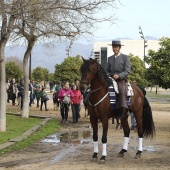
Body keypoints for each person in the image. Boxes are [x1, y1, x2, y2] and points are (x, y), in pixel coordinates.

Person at [106, 40, 131, 120]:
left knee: (121, 90)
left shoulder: (125, 57)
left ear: (119, 48)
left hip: (121, 79)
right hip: (111, 79)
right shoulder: (109, 58)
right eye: (113, 47)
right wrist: (111, 75)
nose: (114, 49)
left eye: (116, 47)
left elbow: (127, 70)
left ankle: (122, 110)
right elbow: (107, 70)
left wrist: (119, 75)